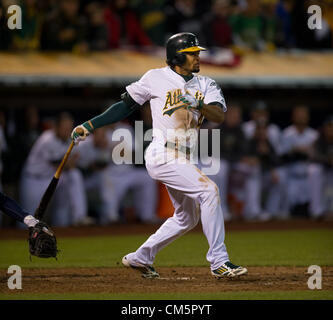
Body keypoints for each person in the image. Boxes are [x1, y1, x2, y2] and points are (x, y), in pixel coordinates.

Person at [71, 32, 247, 279]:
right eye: (191, 54)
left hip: (186, 156)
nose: (198, 57)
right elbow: (124, 106)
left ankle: (141, 257)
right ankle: (219, 261)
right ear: (177, 56)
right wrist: (90, 125)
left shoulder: (207, 84)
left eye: (197, 53)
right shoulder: (155, 77)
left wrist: (197, 105)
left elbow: (218, 116)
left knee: (187, 217)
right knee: (209, 192)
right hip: (163, 152)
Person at [77, 125, 158, 224]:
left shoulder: (126, 129)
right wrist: (107, 147)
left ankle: (147, 216)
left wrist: (116, 149)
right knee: (107, 184)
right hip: (111, 174)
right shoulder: (98, 133)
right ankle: (110, 219)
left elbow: (135, 154)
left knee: (147, 178)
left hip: (128, 171)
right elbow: (91, 163)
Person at [20, 112, 89, 227]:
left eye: (69, 128)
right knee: (28, 218)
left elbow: (73, 164)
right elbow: (62, 165)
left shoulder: (69, 139)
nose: (68, 131)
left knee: (74, 175)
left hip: (51, 177)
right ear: (56, 127)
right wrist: (72, 160)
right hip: (34, 180)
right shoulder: (47, 139)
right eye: (64, 128)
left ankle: (79, 217)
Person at [280, 105, 323, 218]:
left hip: (308, 178)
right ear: (293, 116)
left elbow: (316, 156)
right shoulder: (287, 133)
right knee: (286, 212)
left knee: (310, 211)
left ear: (308, 117)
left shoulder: (313, 135)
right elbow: (282, 157)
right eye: (298, 114)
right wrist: (296, 150)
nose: (301, 117)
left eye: (303, 114)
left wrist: (303, 151)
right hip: (291, 177)